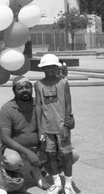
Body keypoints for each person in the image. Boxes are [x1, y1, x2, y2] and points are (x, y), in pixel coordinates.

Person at [0, 75, 79, 192]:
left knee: (73, 155)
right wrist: (27, 152)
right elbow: (5, 138)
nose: (24, 90)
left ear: (32, 88)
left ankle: (39, 171)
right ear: (14, 91)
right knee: (13, 162)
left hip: (42, 148)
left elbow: (57, 121)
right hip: (18, 149)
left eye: (27, 87)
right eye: (20, 88)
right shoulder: (7, 109)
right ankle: (11, 172)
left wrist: (70, 123)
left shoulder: (41, 105)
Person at [35, 54, 76, 194]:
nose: (50, 69)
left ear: (57, 67)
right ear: (43, 69)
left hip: (61, 126)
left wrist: (66, 124)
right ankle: (57, 182)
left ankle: (68, 184)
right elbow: (38, 106)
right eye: (47, 67)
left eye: (53, 66)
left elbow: (68, 104)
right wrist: (40, 129)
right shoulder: (38, 85)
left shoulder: (63, 83)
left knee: (66, 155)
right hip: (47, 128)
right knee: (50, 154)